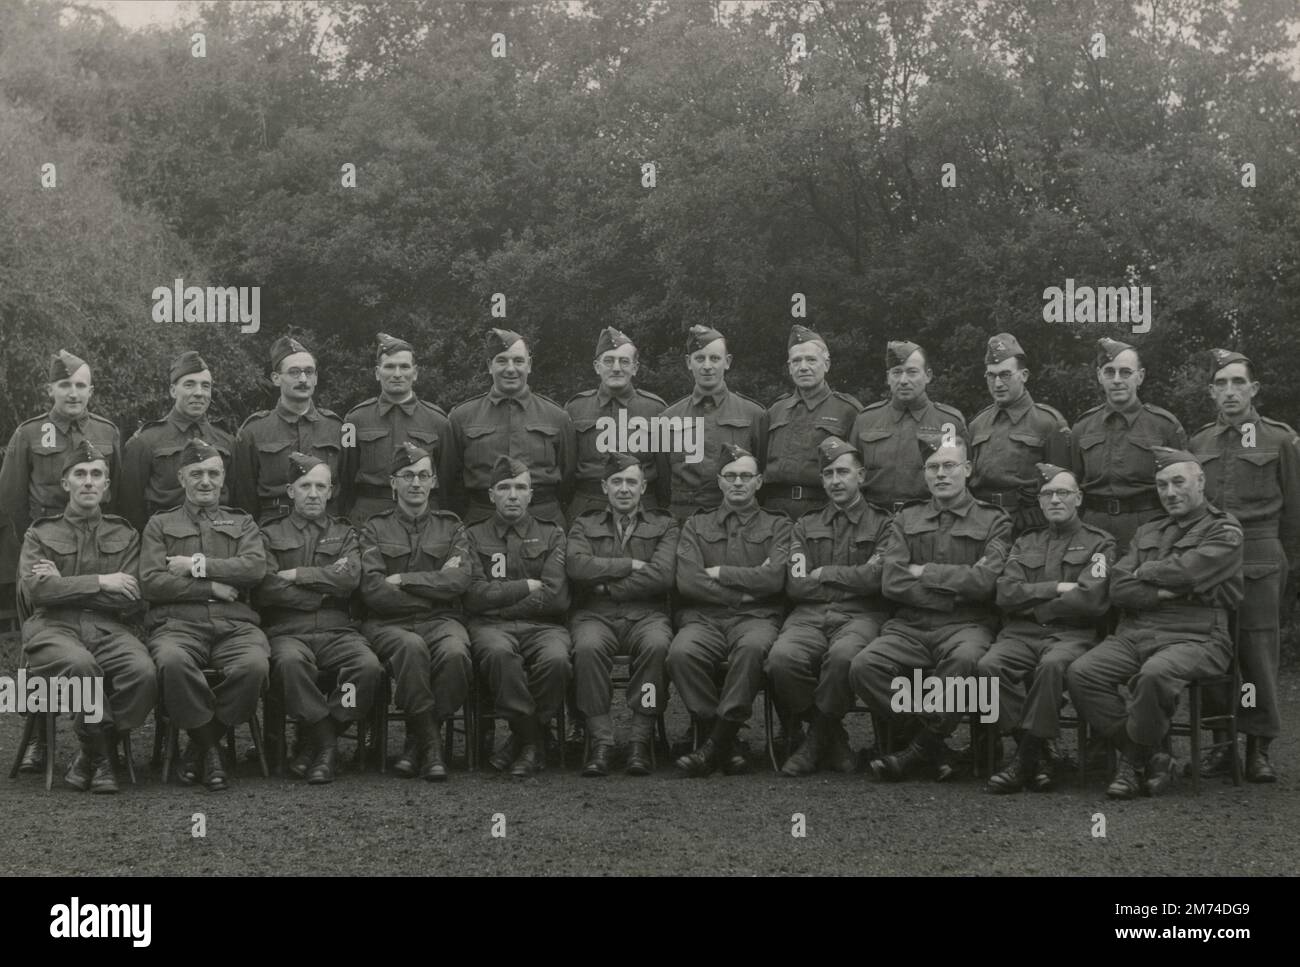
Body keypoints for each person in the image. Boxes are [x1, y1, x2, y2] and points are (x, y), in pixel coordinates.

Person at [1067, 447, 1244, 800]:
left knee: (1154, 674)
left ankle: (1132, 761)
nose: (1170, 492)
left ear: (1200, 481)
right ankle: (1151, 753)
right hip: (1136, 631)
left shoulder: (1224, 528)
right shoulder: (1147, 530)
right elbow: (1117, 586)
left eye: (1178, 482)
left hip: (1196, 635)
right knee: (1082, 672)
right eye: (1162, 485)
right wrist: (1162, 592)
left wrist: (1144, 572)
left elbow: (1191, 570)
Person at [852, 436, 1012, 782]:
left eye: (949, 466)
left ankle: (917, 749)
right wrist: (955, 588)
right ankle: (929, 743)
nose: (941, 474)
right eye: (933, 467)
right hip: (910, 625)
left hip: (966, 624)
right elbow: (892, 582)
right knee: (865, 666)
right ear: (924, 474)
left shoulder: (994, 520)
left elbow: (986, 583)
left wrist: (924, 571)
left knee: (966, 660)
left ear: (967, 470)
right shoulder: (905, 518)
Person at [3, 349, 122, 772]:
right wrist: (40, 545)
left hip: (97, 546)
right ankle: (37, 733)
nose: (73, 393)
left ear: (91, 390)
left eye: (81, 385)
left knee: (101, 631)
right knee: (41, 640)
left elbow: (117, 493)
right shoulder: (30, 433)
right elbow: (12, 503)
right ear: (49, 389)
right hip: (44, 552)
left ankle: (105, 734)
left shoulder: (108, 433)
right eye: (65, 385)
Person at [18, 441, 155, 793]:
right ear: (66, 484)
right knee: (81, 667)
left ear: (107, 486)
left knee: (142, 672)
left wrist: (63, 583)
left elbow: (130, 600)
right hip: (52, 628)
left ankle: (94, 750)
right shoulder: (40, 533)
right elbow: (39, 593)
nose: (89, 481)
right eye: (80, 474)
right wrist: (101, 581)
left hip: (110, 628)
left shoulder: (125, 534)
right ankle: (103, 757)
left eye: (97, 475)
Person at [1190, 348, 1300, 783]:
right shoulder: (1199, 443)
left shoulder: (1280, 439)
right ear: (1211, 392)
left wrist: (1288, 568)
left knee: (1255, 656)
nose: (1230, 391)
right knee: (1214, 651)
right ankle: (1221, 745)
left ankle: (1257, 746)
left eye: (1239, 382)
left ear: (1254, 389)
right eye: (1222, 384)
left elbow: (1295, 513)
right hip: (1212, 557)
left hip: (1260, 556)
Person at [141, 439, 270, 792]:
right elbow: (152, 582)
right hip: (178, 625)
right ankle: (212, 748)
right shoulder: (160, 524)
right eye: (196, 473)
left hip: (236, 625)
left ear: (223, 477)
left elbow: (255, 568)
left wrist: (196, 565)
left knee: (254, 666)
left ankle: (201, 744)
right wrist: (210, 587)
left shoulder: (242, 523)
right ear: (181, 478)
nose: (205, 481)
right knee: (170, 661)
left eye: (213, 473)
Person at [979, 463, 1116, 793]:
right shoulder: (1026, 542)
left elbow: (1091, 600)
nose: (1055, 500)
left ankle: (1025, 758)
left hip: (1073, 634)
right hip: (1021, 634)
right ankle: (1041, 750)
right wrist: (1056, 588)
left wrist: (1033, 598)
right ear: (1039, 502)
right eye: (1047, 494)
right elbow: (1005, 593)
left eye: (1063, 493)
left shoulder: (1100, 544)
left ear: (1078, 498)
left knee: (1051, 667)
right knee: (986, 667)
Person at [766, 436, 891, 777]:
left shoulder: (884, 524)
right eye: (828, 474)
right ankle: (832, 736)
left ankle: (814, 741)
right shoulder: (805, 525)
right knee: (780, 660)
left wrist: (825, 573)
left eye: (843, 472)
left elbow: (877, 579)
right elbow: (795, 583)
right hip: (807, 615)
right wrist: (850, 579)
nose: (835, 480)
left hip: (861, 615)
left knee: (844, 658)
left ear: (861, 476)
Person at [255, 453, 382, 784]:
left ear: (331, 492)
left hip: (337, 629)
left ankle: (316, 735)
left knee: (367, 668)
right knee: (289, 665)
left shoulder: (345, 533)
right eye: (305, 485)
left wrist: (296, 574)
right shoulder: (268, 533)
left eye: (320, 486)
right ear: (290, 490)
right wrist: (322, 588)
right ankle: (326, 744)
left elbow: (349, 579)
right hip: (287, 629)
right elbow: (266, 587)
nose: (313, 493)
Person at [669, 444, 793, 776]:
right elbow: (689, 582)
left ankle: (713, 744)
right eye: (730, 476)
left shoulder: (779, 525)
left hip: (757, 619)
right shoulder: (696, 525)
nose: (738, 483)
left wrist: (721, 572)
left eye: (746, 476)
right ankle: (723, 737)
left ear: (759, 482)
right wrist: (747, 591)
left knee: (752, 650)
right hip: (704, 619)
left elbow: (775, 579)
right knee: (681, 653)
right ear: (720, 482)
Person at [358, 443, 474, 781]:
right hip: (386, 623)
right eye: (407, 476)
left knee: (455, 653)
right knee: (411, 647)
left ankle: (416, 739)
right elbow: (374, 591)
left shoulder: (451, 527)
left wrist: (405, 580)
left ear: (434, 482)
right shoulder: (373, 528)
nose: (415, 483)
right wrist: (431, 595)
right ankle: (432, 745)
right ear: (393, 483)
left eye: (423, 475)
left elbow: (458, 580)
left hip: (442, 622)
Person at [565, 452, 678, 776]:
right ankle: (601, 741)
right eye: (617, 482)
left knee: (657, 647)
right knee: (586, 649)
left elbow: (662, 575)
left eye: (631, 482)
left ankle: (640, 740)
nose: (624, 489)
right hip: (594, 616)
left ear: (643, 487)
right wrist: (628, 565)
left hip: (647, 615)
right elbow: (577, 566)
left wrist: (606, 587)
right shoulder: (584, 524)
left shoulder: (665, 524)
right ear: (604, 486)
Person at [464, 455, 572, 777]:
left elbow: (555, 597)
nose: (512, 495)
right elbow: (471, 594)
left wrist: (496, 603)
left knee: (557, 661)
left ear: (531, 494)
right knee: (499, 655)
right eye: (504, 487)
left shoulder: (553, 534)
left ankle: (520, 740)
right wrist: (524, 587)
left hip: (543, 626)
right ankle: (532, 739)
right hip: (490, 628)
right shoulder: (472, 536)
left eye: (520, 488)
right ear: (491, 495)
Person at [448, 329, 575, 527]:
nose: (510, 369)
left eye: (518, 361)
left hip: (543, 523)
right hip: (481, 523)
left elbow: (568, 479)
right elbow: (451, 481)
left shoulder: (557, 416)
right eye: (501, 361)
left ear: (529, 365)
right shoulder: (462, 417)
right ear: (490, 366)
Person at [1069, 337, 1185, 551]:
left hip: (1148, 530)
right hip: (1093, 530)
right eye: (1109, 372)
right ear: (1099, 376)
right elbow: (1073, 485)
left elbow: (1182, 488)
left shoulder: (1164, 426)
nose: (1116, 380)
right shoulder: (1082, 427)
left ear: (1140, 377)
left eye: (1125, 372)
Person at [342, 332, 454, 523]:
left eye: (404, 367)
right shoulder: (353, 420)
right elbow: (345, 477)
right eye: (389, 367)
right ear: (377, 373)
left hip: (421, 517)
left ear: (415, 372)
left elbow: (448, 481)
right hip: (369, 516)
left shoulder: (438, 421)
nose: (397, 374)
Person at [659, 325, 768, 521]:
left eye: (715, 358)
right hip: (683, 518)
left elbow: (762, 473)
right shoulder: (668, 418)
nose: (707, 366)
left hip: (737, 519)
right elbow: (663, 480)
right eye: (699, 358)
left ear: (727, 362)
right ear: (688, 362)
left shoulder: (753, 414)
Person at [118, 350, 235, 531]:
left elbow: (237, 502)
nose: (199, 393)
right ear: (173, 390)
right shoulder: (145, 441)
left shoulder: (226, 441)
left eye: (205, 386)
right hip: (164, 539)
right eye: (189, 385)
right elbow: (130, 507)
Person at [233, 335, 344, 524]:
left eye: (309, 372)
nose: (303, 379)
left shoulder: (337, 427)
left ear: (316, 378)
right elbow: (243, 496)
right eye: (294, 372)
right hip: (273, 528)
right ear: (276, 378)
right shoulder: (254, 431)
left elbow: (346, 487)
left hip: (327, 529)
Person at [968, 333, 1070, 536]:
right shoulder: (977, 424)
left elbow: (1064, 487)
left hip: (1028, 526)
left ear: (1023, 375)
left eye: (1005, 375)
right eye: (991, 375)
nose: (997, 384)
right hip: (981, 522)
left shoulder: (1048, 422)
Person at [850, 340, 967, 512]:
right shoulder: (866, 420)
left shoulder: (948, 422)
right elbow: (851, 473)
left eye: (912, 372)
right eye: (897, 372)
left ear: (928, 375)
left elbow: (963, 478)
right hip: (874, 519)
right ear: (888, 377)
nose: (903, 380)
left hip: (928, 520)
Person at [762, 325, 862, 520]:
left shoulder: (848, 410)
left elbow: (858, 469)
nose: (804, 367)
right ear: (790, 367)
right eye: (797, 361)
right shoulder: (775, 410)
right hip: (774, 512)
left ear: (826, 364)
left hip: (824, 511)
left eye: (811, 360)